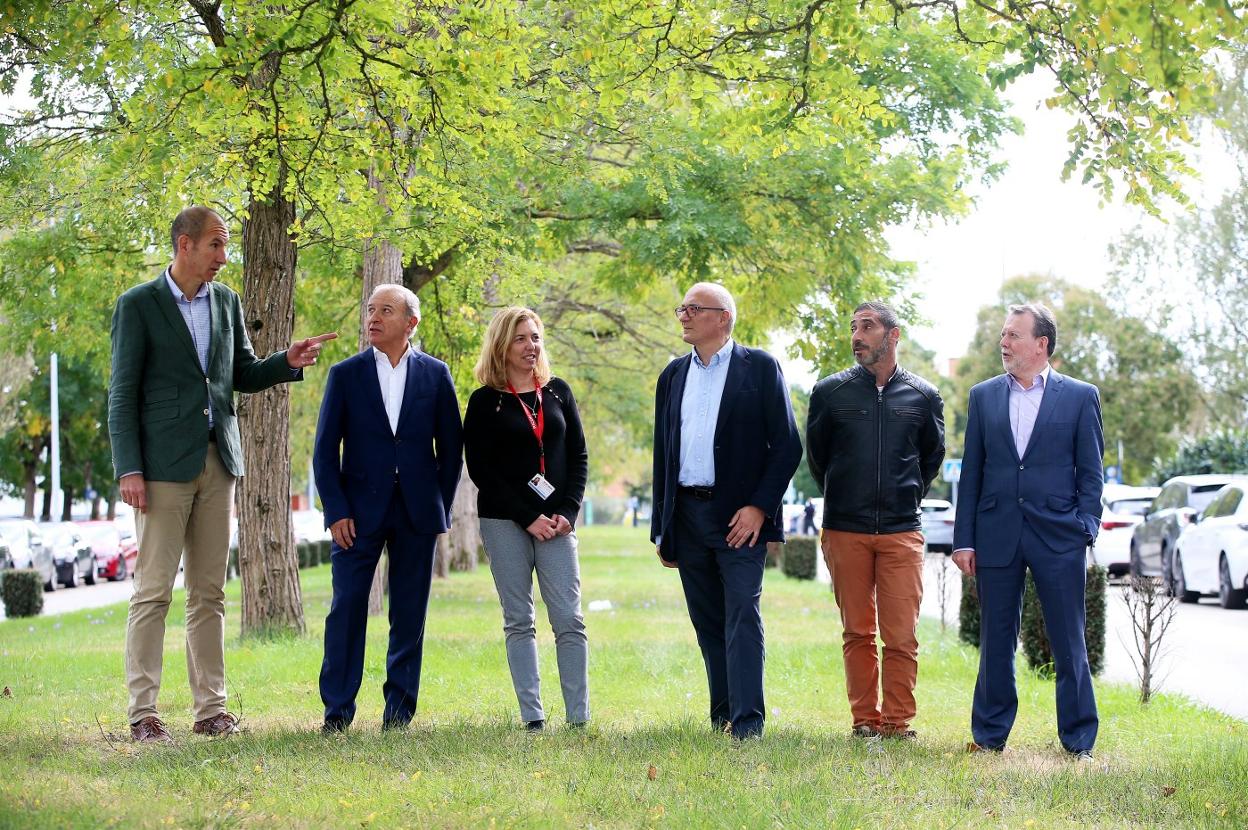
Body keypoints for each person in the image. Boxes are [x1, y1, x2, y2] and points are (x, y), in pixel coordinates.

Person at [109, 206, 335, 744]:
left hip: (219, 461)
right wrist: (129, 468)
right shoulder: (138, 305)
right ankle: (143, 714)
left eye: (225, 246)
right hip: (160, 468)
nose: (222, 256)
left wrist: (288, 360)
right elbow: (121, 394)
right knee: (153, 592)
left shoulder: (227, 302)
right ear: (184, 244)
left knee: (209, 592)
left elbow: (244, 374)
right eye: (215, 244)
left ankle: (211, 709)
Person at [952, 303, 1103, 761]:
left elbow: (1091, 471)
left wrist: (1085, 528)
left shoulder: (1079, 396)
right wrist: (964, 538)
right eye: (1003, 335)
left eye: (1014, 335)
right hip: (997, 532)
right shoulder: (983, 396)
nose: (1004, 343)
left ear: (1042, 344)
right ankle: (990, 734)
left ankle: (1078, 740)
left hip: (1059, 535)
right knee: (996, 638)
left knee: (1068, 638)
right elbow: (972, 472)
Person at [651, 282, 802, 740]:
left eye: (694, 309)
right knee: (707, 619)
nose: (684, 316)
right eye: (682, 308)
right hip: (687, 515)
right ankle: (722, 718)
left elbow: (788, 445)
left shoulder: (759, 367)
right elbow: (665, 454)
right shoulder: (673, 375)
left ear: (723, 318)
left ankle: (748, 724)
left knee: (741, 614)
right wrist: (663, 527)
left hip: (740, 519)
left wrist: (759, 507)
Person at [313, 283, 463, 733]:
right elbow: (324, 452)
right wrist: (336, 510)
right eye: (370, 310)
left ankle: (399, 715)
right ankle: (336, 713)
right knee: (347, 610)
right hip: (355, 516)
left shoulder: (436, 375)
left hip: (417, 513)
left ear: (411, 323)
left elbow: (451, 450)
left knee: (409, 614)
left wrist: (439, 505)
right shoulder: (345, 374)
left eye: (386, 311)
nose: (373, 318)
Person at [805, 301, 945, 740]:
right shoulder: (830, 393)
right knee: (857, 632)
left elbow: (930, 458)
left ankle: (897, 723)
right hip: (845, 528)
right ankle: (864, 721)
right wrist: (848, 495)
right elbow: (819, 459)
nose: (857, 336)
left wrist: (903, 496)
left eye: (867, 327)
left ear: (893, 334)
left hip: (903, 531)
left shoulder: (924, 397)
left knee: (901, 636)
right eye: (853, 327)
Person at [463, 307, 589, 731]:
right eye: (521, 338)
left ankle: (578, 718)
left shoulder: (557, 393)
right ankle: (533, 717)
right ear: (502, 344)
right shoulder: (485, 402)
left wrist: (567, 512)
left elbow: (579, 457)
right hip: (504, 521)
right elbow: (482, 470)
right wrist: (527, 516)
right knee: (520, 619)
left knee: (569, 619)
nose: (531, 346)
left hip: (557, 522)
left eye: (535, 337)